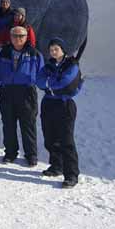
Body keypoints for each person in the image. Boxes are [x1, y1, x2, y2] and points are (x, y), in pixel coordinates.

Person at [37, 38, 83, 189]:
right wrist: (52, 85)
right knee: (50, 138)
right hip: (49, 104)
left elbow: (66, 82)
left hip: (64, 105)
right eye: (51, 49)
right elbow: (39, 80)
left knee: (66, 140)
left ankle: (71, 175)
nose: (53, 52)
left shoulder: (72, 64)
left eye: (56, 49)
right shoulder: (48, 65)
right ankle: (57, 166)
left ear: (63, 50)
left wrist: (50, 85)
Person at [0, 26, 44, 166]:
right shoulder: (3, 52)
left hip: (26, 92)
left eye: (21, 36)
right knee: (8, 124)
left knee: (28, 124)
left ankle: (31, 155)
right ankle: (10, 153)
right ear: (10, 37)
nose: (18, 38)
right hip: (8, 91)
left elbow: (41, 73)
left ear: (26, 37)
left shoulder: (34, 53)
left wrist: (33, 81)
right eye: (15, 36)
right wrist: (0, 82)